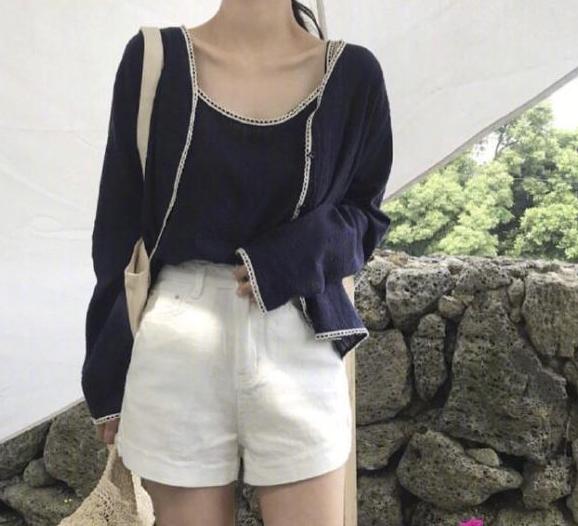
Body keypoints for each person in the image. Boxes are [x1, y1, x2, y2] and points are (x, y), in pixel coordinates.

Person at [82, 0, 393, 524]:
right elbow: (117, 228)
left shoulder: (353, 75)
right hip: (176, 342)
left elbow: (365, 217)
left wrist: (290, 257)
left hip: (299, 333)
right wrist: (108, 369)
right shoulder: (154, 60)